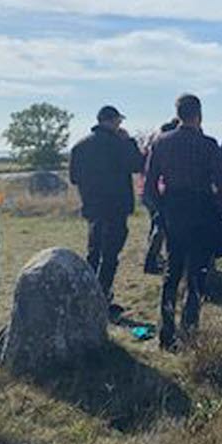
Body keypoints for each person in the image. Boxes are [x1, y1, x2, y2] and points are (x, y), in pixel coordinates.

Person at [144, 94, 222, 348]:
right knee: (196, 274)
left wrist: (161, 210)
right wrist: (217, 209)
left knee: (172, 272)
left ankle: (166, 333)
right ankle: (189, 330)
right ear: (199, 114)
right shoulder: (209, 145)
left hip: (173, 209)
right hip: (201, 208)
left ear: (178, 113)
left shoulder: (161, 143)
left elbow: (149, 186)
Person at [69, 105, 144, 311]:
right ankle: (102, 297)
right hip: (116, 206)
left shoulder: (80, 146)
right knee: (110, 254)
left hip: (92, 206)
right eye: (119, 121)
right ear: (112, 121)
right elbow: (138, 164)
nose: (120, 124)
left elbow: (74, 178)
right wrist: (129, 141)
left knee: (93, 251)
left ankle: (87, 295)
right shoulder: (119, 145)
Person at [141, 118, 179, 274]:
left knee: (157, 225)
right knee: (160, 227)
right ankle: (151, 260)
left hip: (150, 192)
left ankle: (153, 258)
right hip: (158, 193)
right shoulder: (164, 148)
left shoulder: (154, 146)